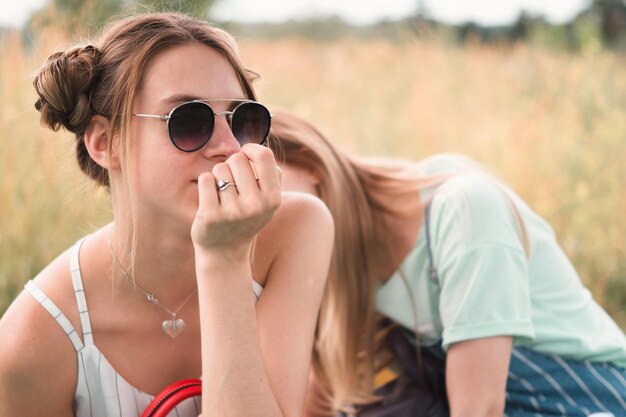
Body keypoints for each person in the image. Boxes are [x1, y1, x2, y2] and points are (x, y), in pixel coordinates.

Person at [0, 13, 334, 417]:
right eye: (190, 121)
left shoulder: (295, 230)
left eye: (242, 120)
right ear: (105, 143)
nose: (228, 147)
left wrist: (224, 261)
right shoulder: (34, 340)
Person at [271, 110, 626, 417]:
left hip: (589, 399)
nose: (258, 214)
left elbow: (480, 410)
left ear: (312, 163)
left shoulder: (462, 208)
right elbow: (316, 402)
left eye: (263, 181)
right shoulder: (338, 262)